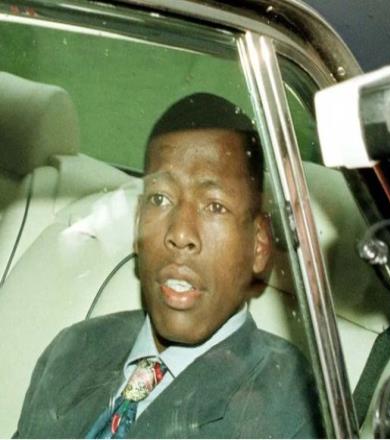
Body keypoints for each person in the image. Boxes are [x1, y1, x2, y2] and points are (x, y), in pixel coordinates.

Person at [14, 93, 324, 438]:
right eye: (160, 198)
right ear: (137, 225)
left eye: (215, 206)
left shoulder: (290, 408)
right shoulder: (73, 350)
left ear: (259, 244)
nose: (180, 233)